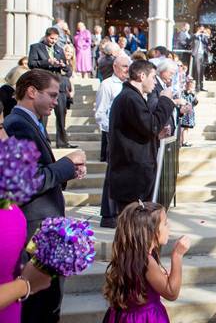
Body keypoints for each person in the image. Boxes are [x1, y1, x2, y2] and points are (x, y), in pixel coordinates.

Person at [3, 69, 86, 323]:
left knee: (48, 302)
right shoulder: (17, 123)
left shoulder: (31, 121)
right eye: (51, 94)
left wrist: (66, 172)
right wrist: (66, 163)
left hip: (41, 223)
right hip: (32, 228)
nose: (55, 100)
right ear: (31, 91)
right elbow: (28, 181)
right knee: (39, 305)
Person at [103, 201, 190, 322]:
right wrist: (177, 255)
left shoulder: (130, 253)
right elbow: (171, 293)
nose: (169, 227)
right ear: (151, 231)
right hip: (144, 318)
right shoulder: (146, 260)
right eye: (165, 224)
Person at [107, 60, 175, 212]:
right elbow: (152, 125)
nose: (155, 83)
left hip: (134, 173)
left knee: (137, 227)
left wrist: (156, 136)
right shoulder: (130, 98)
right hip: (131, 175)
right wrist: (165, 100)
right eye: (153, 77)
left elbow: (139, 131)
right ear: (141, 76)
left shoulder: (132, 96)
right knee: (134, 226)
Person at [95, 56, 130, 228]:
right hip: (114, 136)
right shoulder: (107, 85)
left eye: (129, 66)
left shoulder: (130, 85)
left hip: (128, 138)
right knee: (112, 175)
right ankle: (109, 214)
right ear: (115, 67)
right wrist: (115, 129)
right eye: (124, 66)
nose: (127, 69)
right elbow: (100, 113)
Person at [54, 44, 75, 148]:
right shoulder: (60, 63)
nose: (69, 54)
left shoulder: (69, 64)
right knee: (60, 116)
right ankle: (61, 141)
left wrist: (72, 91)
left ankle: (62, 141)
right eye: (67, 51)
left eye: (71, 53)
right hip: (58, 90)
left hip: (65, 91)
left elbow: (69, 79)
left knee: (62, 116)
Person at [191, 25, 210, 92]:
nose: (202, 30)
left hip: (203, 55)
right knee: (197, 70)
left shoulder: (204, 37)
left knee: (202, 71)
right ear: (198, 29)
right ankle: (197, 87)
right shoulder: (195, 36)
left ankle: (201, 86)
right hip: (197, 54)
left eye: (203, 29)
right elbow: (191, 38)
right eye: (201, 29)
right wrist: (198, 32)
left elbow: (209, 43)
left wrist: (206, 35)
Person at [180, 79, 197, 147]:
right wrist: (188, 92)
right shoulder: (184, 93)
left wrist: (193, 95)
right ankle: (183, 141)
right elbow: (183, 100)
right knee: (184, 127)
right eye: (190, 86)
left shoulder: (192, 94)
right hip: (185, 112)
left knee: (187, 128)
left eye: (193, 87)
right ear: (187, 85)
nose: (191, 88)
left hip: (189, 113)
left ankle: (185, 141)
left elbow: (195, 102)